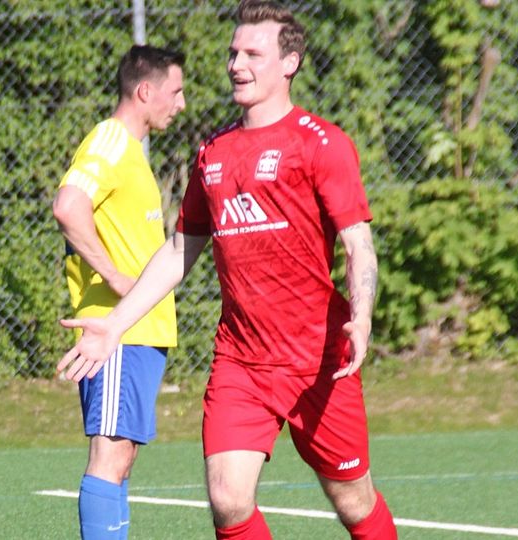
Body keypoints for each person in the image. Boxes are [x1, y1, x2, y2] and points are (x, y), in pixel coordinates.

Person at [57, 2, 397, 538]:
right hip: (242, 362)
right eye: (234, 53)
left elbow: (359, 245)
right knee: (228, 500)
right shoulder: (214, 152)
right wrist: (115, 325)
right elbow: (179, 250)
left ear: (289, 63)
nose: (237, 64)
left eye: (253, 54)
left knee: (354, 501)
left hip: (317, 359)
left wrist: (363, 315)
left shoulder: (322, 143)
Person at [51, 44, 186, 539]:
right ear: (145, 91)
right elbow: (68, 206)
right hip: (117, 332)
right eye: (175, 91)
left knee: (121, 458)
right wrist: (113, 278)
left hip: (140, 333)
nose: (181, 103)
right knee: (109, 457)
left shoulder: (132, 153)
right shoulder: (110, 139)